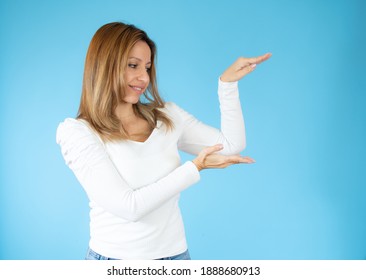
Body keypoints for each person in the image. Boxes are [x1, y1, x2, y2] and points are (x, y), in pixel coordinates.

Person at [56, 22, 271, 260]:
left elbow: (231, 145)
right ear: (104, 66)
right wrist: (194, 168)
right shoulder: (78, 133)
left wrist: (228, 85)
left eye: (147, 67)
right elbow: (130, 207)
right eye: (132, 65)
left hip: (176, 257)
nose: (143, 77)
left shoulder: (168, 116)